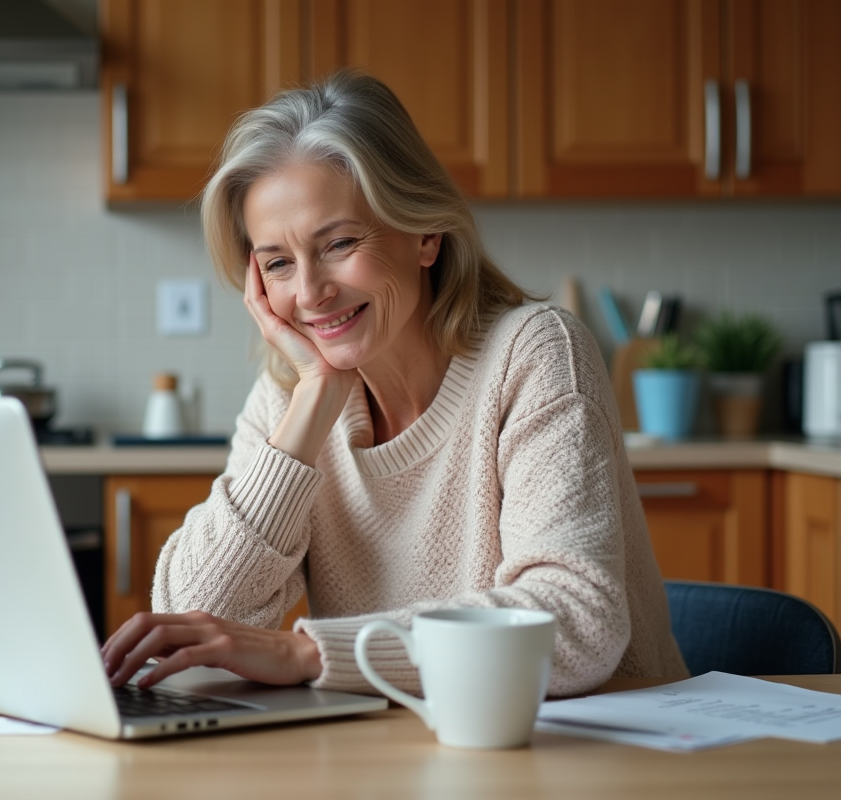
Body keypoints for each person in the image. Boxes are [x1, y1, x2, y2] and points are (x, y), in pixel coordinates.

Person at [102, 70, 687, 697]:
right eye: (277, 262)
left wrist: (309, 652)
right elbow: (197, 620)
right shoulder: (290, 396)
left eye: (340, 243)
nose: (309, 293)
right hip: (387, 752)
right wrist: (313, 406)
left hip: (588, 748)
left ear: (425, 233)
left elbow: (575, 620)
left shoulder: (534, 351)